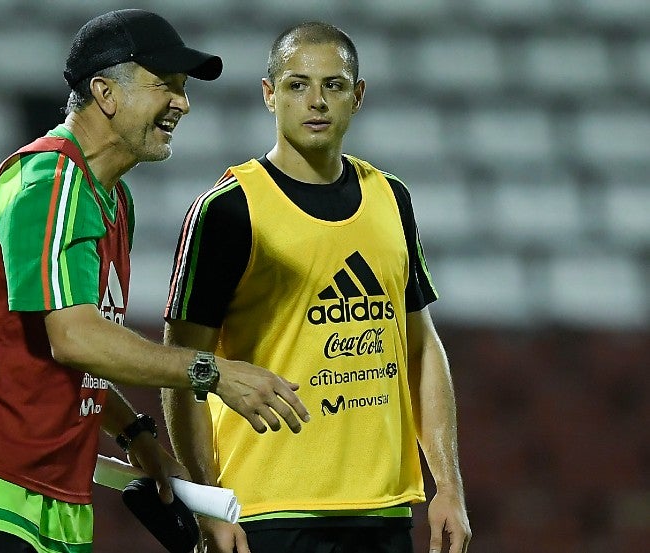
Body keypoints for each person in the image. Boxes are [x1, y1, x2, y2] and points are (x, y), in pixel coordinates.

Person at [0, 9, 310, 553]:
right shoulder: (49, 180)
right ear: (105, 92)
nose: (183, 102)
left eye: (183, 88)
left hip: (48, 496)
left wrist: (138, 437)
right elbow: (74, 336)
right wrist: (211, 372)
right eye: (165, 85)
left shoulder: (112, 199)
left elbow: (70, 356)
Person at [162, 21, 472, 553]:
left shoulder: (391, 198)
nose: (317, 101)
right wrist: (206, 503)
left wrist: (448, 484)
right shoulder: (229, 210)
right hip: (265, 512)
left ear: (359, 96)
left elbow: (420, 345)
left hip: (383, 508)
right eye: (297, 84)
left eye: (334, 84)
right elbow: (180, 366)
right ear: (269, 95)